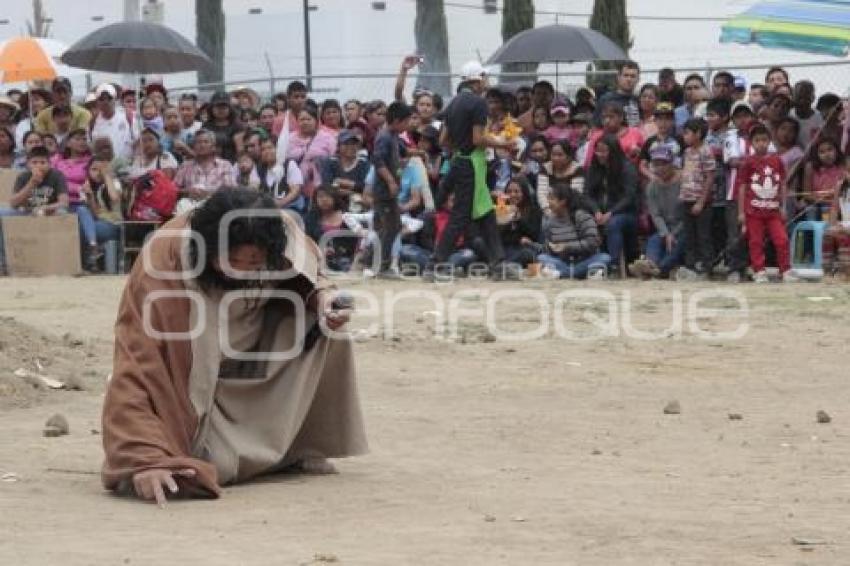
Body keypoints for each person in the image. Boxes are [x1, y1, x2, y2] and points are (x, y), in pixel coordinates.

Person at [101, 188, 368, 504]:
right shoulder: (163, 266)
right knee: (209, 468)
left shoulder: (281, 235)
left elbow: (306, 279)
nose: (239, 270)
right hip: (194, 381)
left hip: (254, 354)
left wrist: (322, 299)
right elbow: (136, 364)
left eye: (253, 262)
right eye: (230, 259)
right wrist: (144, 458)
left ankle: (300, 447)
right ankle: (244, 453)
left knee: (325, 327)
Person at [426, 61, 517, 280]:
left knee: (485, 212)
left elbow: (443, 140)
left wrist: (461, 147)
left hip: (460, 161)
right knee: (460, 216)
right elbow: (478, 138)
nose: (486, 82)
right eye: (484, 78)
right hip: (472, 165)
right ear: (477, 80)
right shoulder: (478, 103)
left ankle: (499, 263)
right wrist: (503, 144)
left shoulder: (453, 102)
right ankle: (435, 263)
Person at [737, 123, 795, 283]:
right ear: (751, 143)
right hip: (753, 211)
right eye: (757, 140)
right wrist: (741, 212)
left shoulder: (777, 160)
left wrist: (783, 206)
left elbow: (783, 184)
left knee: (781, 239)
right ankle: (759, 270)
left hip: (773, 211)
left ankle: (785, 269)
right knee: (755, 241)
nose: (761, 143)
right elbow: (742, 187)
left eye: (764, 139)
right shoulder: (748, 162)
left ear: (769, 140)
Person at [0, 146, 70, 274]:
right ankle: (3, 262)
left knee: (63, 214)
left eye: (43, 162)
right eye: (34, 162)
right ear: (28, 164)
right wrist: (32, 183)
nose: (39, 166)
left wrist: (44, 208)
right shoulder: (23, 177)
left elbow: (63, 203)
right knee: (2, 213)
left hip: (49, 212)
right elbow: (13, 203)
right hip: (26, 212)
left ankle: (61, 261)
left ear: (49, 164)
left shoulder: (56, 176)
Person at [584, 134, 640, 276]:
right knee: (582, 218)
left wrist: (611, 213)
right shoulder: (594, 169)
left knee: (613, 223)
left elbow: (629, 197)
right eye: (598, 151)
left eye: (604, 151)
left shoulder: (627, 168)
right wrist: (596, 210)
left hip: (625, 214)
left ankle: (613, 265)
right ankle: (587, 262)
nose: (600, 155)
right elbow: (587, 194)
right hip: (600, 212)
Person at [368, 102, 411, 277]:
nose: (407, 126)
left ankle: (373, 261)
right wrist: (391, 181)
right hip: (383, 191)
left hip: (388, 191)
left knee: (389, 227)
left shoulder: (393, 136)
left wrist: (407, 159)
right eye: (405, 122)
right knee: (390, 227)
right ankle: (382, 266)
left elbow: (399, 154)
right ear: (395, 120)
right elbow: (378, 161)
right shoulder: (384, 137)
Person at [631, 146, 684, 279]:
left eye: (664, 164)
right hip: (664, 229)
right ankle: (650, 264)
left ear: (672, 163)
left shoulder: (683, 182)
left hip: (683, 229)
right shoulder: (652, 187)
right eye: (656, 164)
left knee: (675, 248)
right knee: (654, 240)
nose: (660, 168)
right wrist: (666, 234)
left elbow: (686, 215)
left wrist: (673, 234)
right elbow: (656, 214)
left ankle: (656, 270)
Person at [537, 183, 610, 280]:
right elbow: (548, 247)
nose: (548, 203)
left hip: (584, 260)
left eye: (552, 199)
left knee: (605, 258)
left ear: (563, 201)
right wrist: (550, 247)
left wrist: (567, 246)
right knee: (542, 258)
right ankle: (575, 273)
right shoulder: (550, 222)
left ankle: (564, 274)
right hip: (563, 262)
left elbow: (593, 242)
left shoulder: (581, 216)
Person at [676, 118, 716, 280]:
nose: (684, 136)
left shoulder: (706, 151)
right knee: (689, 234)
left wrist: (701, 201)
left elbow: (710, 177)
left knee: (703, 235)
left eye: (687, 133)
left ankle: (707, 266)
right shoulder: (686, 152)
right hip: (686, 198)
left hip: (701, 201)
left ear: (698, 134)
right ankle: (690, 264)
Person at [173, 129, 237, 214]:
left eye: (206, 142)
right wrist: (188, 191)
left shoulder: (225, 165)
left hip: (216, 208)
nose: (202, 145)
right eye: (198, 142)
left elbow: (231, 189)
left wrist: (208, 193)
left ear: (213, 147)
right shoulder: (185, 166)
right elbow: (173, 189)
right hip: (190, 207)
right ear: (194, 147)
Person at [305, 185, 359, 272]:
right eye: (320, 196)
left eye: (328, 196)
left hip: (343, 260)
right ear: (315, 199)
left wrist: (337, 251)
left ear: (335, 198)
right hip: (316, 259)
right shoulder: (310, 218)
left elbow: (354, 243)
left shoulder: (347, 217)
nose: (324, 199)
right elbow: (306, 240)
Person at [288, 107, 337, 201]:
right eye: (302, 119)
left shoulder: (327, 138)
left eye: (308, 119)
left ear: (316, 121)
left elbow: (334, 160)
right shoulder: (290, 139)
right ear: (297, 121)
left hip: (322, 187)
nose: (305, 122)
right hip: (295, 188)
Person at [320, 129, 371, 212]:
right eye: (346, 144)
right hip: (334, 205)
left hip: (359, 205)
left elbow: (365, 187)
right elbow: (327, 186)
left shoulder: (364, 163)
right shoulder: (330, 162)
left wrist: (345, 183)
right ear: (339, 146)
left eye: (354, 144)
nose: (351, 147)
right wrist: (352, 192)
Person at [498, 176, 542, 267]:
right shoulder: (501, 209)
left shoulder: (534, 210)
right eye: (509, 192)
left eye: (516, 192)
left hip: (521, 249)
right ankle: (503, 264)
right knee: (480, 243)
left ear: (524, 193)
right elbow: (498, 236)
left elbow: (534, 234)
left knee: (527, 254)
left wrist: (519, 219)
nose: (512, 195)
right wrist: (504, 219)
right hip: (504, 248)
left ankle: (502, 265)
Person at [584, 102, 645, 169]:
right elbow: (588, 163)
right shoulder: (597, 137)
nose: (607, 120)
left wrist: (636, 155)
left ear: (621, 117)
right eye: (604, 117)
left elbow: (644, 159)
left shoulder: (635, 134)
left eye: (611, 117)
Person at [90, 83, 138, 163]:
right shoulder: (93, 122)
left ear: (115, 99)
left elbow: (138, 141)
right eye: (101, 99)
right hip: (104, 168)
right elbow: (91, 147)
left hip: (127, 168)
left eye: (109, 98)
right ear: (97, 102)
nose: (105, 102)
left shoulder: (128, 116)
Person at [256, 137, 305, 214]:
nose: (266, 151)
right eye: (263, 149)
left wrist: (280, 203)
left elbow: (295, 191)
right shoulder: (260, 169)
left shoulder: (289, 164)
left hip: (289, 208)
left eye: (270, 148)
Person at [536, 140, 584, 216]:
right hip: (549, 211)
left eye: (560, 155)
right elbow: (542, 193)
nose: (556, 158)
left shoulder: (576, 169)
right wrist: (548, 211)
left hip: (570, 212)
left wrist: (563, 212)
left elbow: (576, 194)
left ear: (568, 157)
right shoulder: (545, 168)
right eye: (553, 155)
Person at [639, 102, 684, 183]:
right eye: (660, 119)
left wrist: (679, 174)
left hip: (676, 183)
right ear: (655, 121)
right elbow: (642, 165)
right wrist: (651, 176)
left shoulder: (680, 140)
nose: (663, 122)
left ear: (673, 121)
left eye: (667, 119)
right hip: (656, 182)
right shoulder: (650, 142)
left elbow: (688, 161)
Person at [802, 138, 844, 221]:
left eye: (830, 149)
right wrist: (820, 199)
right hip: (816, 203)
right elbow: (806, 194)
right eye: (822, 152)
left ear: (836, 150)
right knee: (811, 208)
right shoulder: (810, 167)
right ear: (816, 155)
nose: (827, 154)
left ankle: (828, 231)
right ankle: (813, 230)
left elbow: (845, 193)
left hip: (835, 204)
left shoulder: (843, 166)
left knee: (826, 208)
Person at [594, 61, 641, 128]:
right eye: (626, 75)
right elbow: (596, 126)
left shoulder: (639, 101)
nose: (629, 79)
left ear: (638, 79)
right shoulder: (606, 99)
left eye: (632, 76)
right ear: (618, 77)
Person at [203, 91, 243, 163]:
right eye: (218, 106)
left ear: (230, 108)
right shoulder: (206, 126)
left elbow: (240, 150)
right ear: (211, 108)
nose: (221, 109)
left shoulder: (237, 126)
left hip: (233, 165)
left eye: (224, 106)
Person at [791, 80, 823, 149]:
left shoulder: (820, 118)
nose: (803, 101)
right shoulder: (789, 116)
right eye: (799, 97)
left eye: (806, 97)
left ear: (813, 98)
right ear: (793, 97)